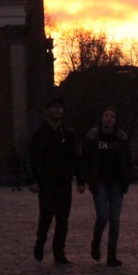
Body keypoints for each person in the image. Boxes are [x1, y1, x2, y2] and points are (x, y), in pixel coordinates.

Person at [27, 97, 84, 264]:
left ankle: (59, 251)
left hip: (64, 181)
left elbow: (75, 158)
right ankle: (41, 240)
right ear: (47, 111)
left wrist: (80, 179)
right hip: (46, 181)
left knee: (62, 219)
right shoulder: (39, 133)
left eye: (60, 107)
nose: (58, 110)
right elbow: (31, 157)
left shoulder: (68, 134)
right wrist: (33, 180)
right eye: (54, 107)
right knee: (46, 215)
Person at [82, 107, 131, 267]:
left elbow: (127, 159)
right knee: (103, 216)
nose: (109, 119)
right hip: (100, 181)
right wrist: (86, 179)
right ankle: (96, 242)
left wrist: (127, 178)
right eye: (106, 116)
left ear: (115, 120)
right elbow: (86, 159)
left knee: (115, 219)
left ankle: (111, 254)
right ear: (102, 119)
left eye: (112, 116)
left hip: (117, 182)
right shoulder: (93, 137)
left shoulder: (120, 138)